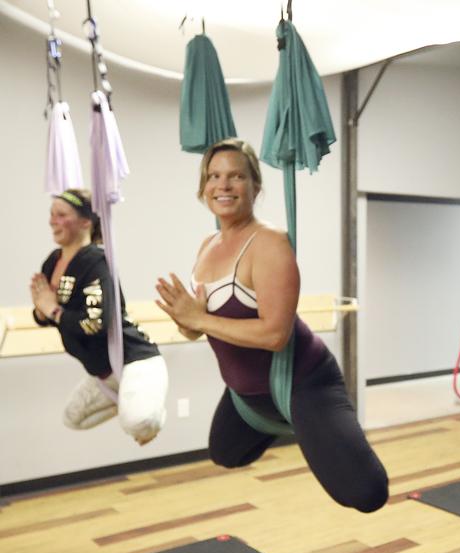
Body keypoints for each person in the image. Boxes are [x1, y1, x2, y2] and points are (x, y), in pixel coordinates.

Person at [154, 138, 388, 513]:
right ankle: (297, 427)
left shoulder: (269, 243)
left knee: (367, 494)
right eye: (214, 176)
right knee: (226, 453)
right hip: (248, 393)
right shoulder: (207, 245)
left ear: (255, 186)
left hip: (302, 379)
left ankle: (315, 428)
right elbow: (200, 328)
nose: (223, 185)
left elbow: (275, 336)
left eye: (236, 176)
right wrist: (186, 319)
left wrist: (199, 318)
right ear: (203, 188)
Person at [30, 188, 167, 445]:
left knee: (138, 424)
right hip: (104, 374)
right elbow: (53, 314)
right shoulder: (52, 262)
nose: (52, 221)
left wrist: (52, 310)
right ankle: (131, 403)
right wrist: (41, 311)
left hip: (134, 360)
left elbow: (94, 323)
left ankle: (146, 411)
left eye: (61, 215)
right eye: (52, 214)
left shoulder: (95, 261)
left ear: (85, 222)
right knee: (73, 418)